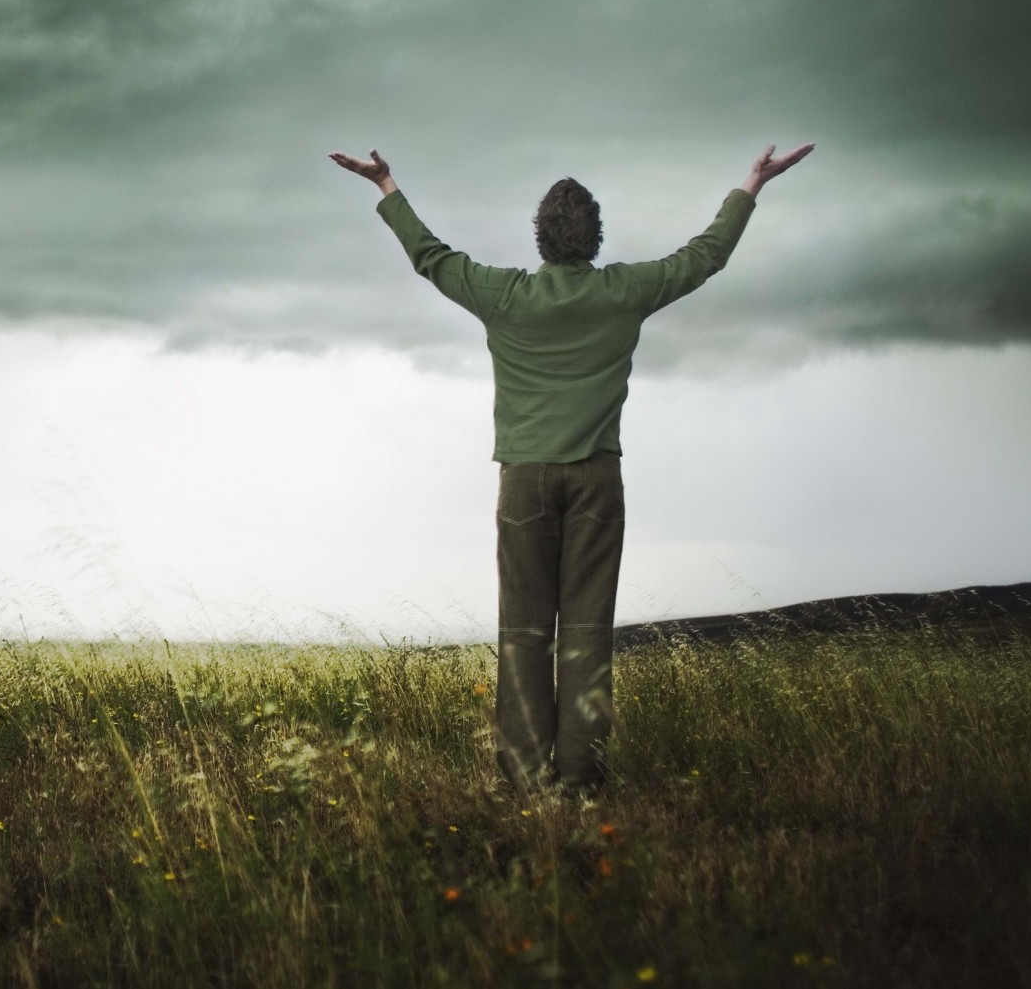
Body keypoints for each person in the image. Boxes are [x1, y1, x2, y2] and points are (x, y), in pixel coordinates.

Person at [327, 142, 816, 804]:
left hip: (524, 481)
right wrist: (750, 185)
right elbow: (705, 257)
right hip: (596, 481)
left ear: (541, 238)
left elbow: (431, 258)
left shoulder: (505, 295)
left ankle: (530, 784)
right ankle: (583, 783)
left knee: (524, 632)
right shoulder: (623, 291)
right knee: (586, 632)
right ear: (595, 237)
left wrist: (386, 184)